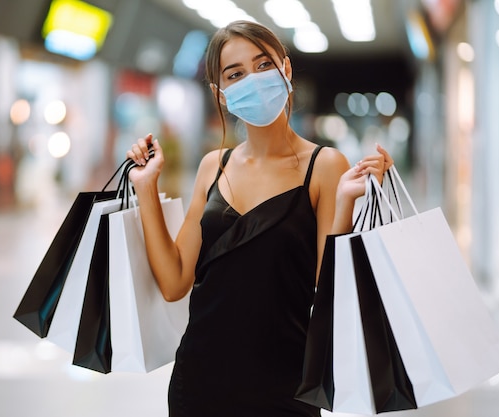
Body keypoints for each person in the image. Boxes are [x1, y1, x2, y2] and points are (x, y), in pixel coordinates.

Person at [126, 20, 392, 417]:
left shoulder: (324, 166)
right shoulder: (213, 166)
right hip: (199, 384)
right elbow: (173, 280)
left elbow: (330, 291)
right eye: (235, 74)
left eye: (263, 65)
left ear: (285, 70)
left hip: (285, 389)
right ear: (221, 93)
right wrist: (146, 188)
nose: (253, 79)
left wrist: (346, 203)